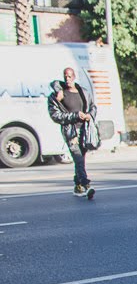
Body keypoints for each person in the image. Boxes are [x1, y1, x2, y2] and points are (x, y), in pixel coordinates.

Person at [47, 68, 97, 197]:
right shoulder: (57, 95)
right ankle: (87, 185)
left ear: (74, 77)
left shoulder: (83, 92)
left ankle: (77, 185)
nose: (67, 79)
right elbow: (55, 115)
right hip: (71, 132)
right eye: (65, 76)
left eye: (70, 76)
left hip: (84, 130)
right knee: (78, 158)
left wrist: (89, 116)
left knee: (81, 159)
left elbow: (93, 107)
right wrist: (75, 116)